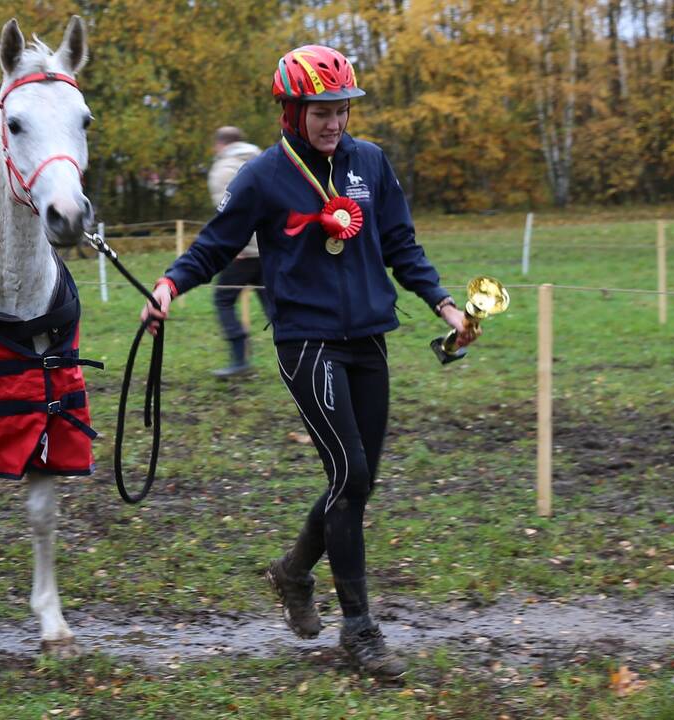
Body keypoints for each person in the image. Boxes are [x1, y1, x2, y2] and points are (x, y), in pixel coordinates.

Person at [140, 45, 479, 678]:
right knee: (348, 472)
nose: (334, 122)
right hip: (306, 343)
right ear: (292, 112)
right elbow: (215, 246)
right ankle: (359, 630)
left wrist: (446, 306)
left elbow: (401, 244)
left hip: (369, 340)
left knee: (358, 483)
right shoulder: (264, 176)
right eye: (321, 111)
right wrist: (167, 288)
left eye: (342, 110)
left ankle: (294, 572)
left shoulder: (371, 163)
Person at [207, 126, 271, 377]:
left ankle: (239, 358)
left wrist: (237, 246)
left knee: (223, 299)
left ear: (220, 145)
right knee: (273, 304)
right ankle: (304, 349)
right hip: (268, 248)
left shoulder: (223, 170)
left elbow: (232, 215)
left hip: (244, 250)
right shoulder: (260, 161)